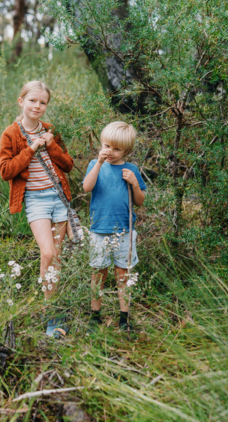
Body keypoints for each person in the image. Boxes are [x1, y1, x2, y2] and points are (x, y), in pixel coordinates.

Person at [0, 80, 74, 338]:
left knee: (58, 257)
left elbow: (67, 165)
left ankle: (56, 311)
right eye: (32, 100)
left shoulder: (51, 130)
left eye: (43, 102)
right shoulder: (11, 134)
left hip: (58, 198)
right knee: (48, 253)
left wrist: (50, 144)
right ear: (21, 101)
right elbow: (6, 171)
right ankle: (50, 313)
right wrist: (31, 148)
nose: (37, 106)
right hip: (36, 201)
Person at [83, 121, 147, 333]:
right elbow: (86, 187)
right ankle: (95, 315)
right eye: (107, 145)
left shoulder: (131, 169)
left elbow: (140, 201)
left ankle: (124, 318)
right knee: (98, 273)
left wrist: (135, 184)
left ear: (126, 150)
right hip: (99, 229)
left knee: (123, 274)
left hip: (124, 231)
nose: (110, 151)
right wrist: (99, 164)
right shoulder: (95, 165)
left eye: (117, 148)